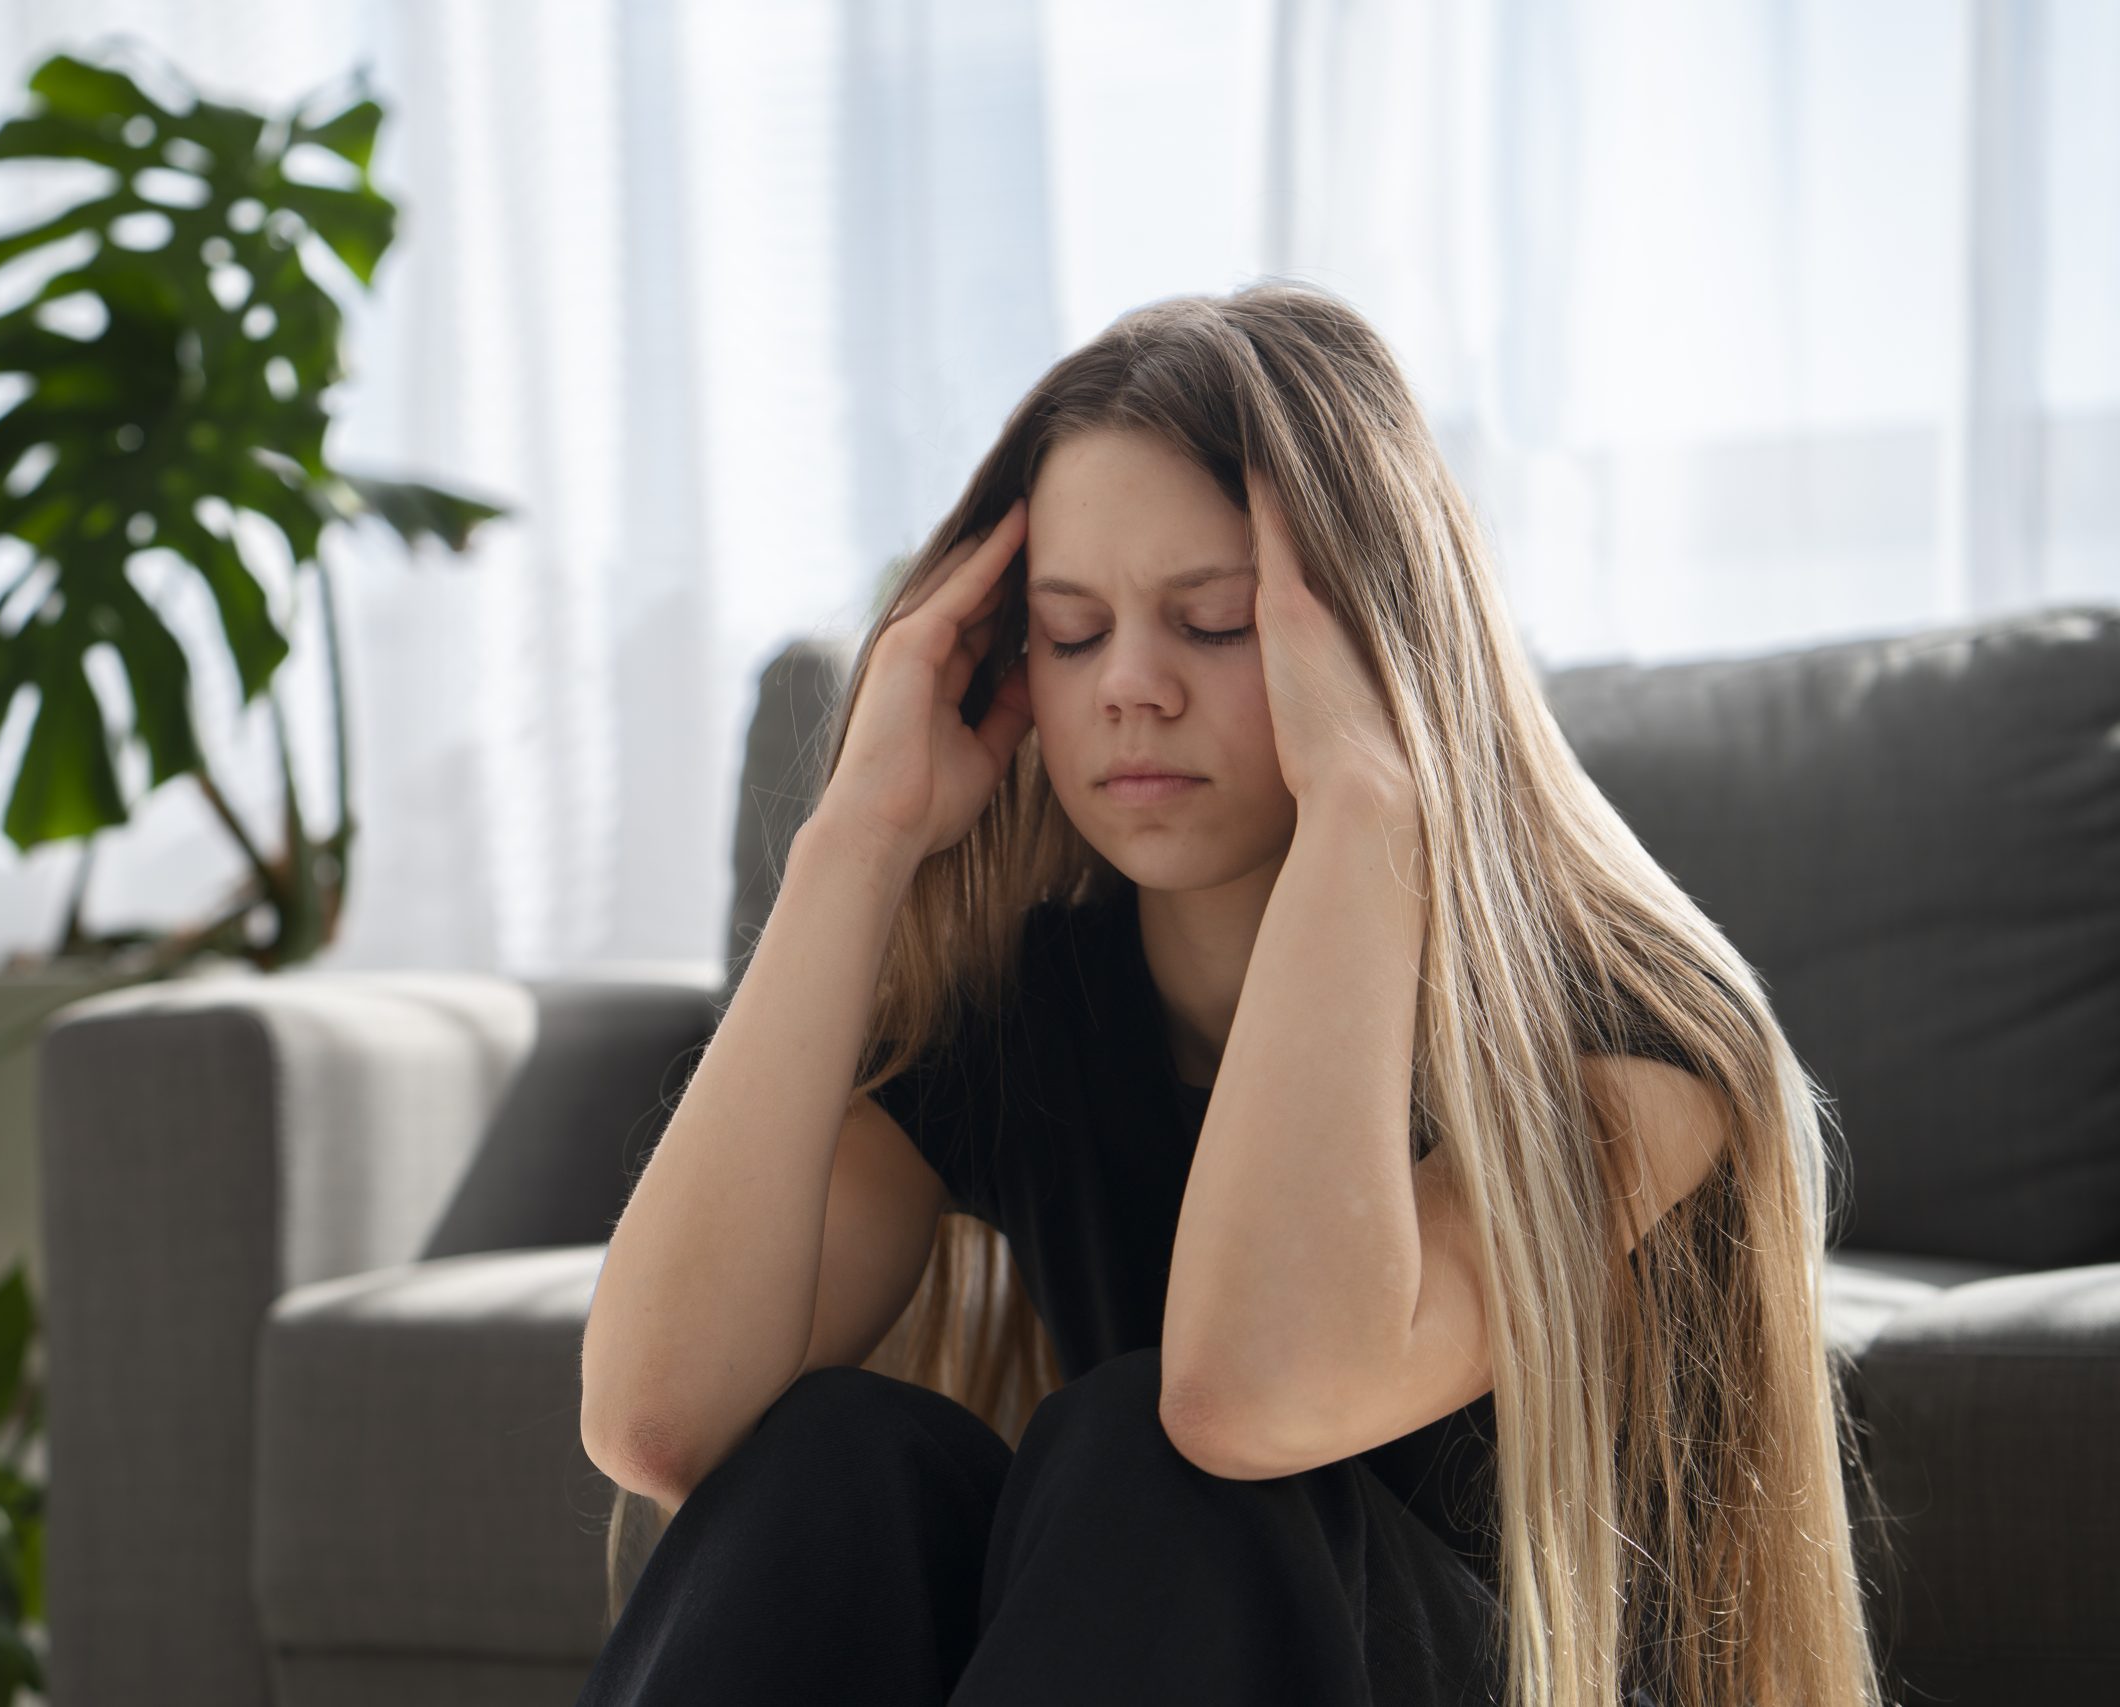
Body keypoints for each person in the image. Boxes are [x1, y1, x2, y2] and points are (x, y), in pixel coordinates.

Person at [575, 281, 1896, 1707]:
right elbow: (665, 1420)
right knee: (832, 1454)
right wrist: (859, 836)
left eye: (1214, 623)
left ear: (1378, 648)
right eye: (1071, 634)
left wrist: (1367, 808)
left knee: (1167, 1447)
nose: (1131, 687)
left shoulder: (1638, 1047)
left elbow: (1254, 1397)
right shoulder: (1034, 1017)